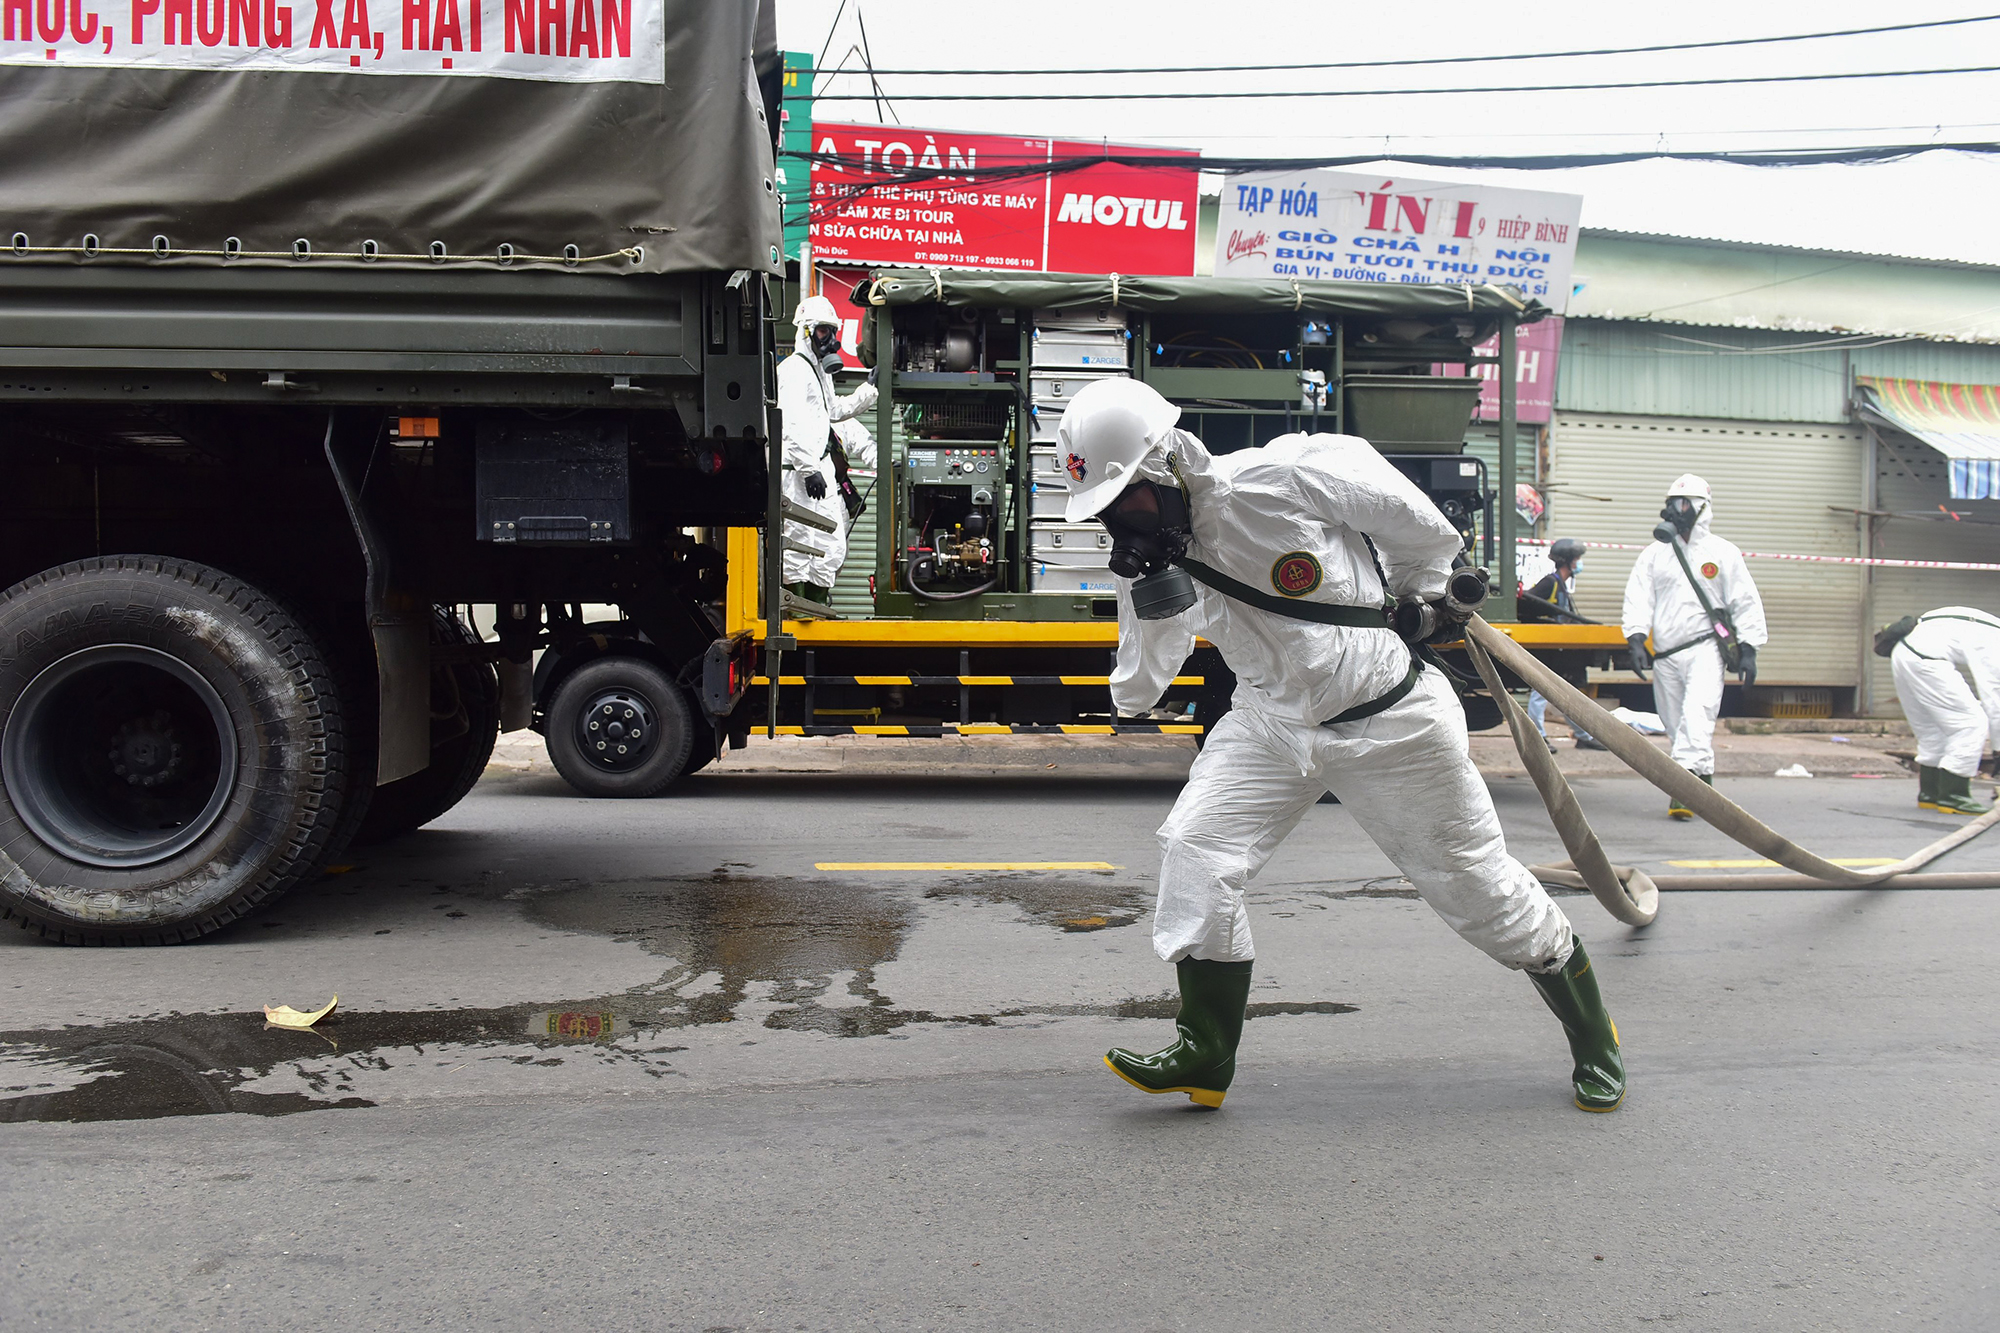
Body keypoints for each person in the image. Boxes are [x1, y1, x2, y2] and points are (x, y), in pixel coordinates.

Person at [1059, 377, 1625, 1115]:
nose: (1121, 524)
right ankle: (1205, 1053)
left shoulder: (1288, 476)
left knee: (1478, 889)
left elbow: (1424, 529)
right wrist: (1147, 595)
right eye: (1106, 513)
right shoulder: (1165, 559)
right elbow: (1136, 692)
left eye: (1127, 501)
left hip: (1391, 722)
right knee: (1197, 851)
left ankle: (1595, 1035)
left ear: (1168, 465)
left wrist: (1428, 594)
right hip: (1271, 725)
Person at [1621, 474, 1766, 819]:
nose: (1677, 510)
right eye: (1673, 503)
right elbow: (1639, 596)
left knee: (1696, 717)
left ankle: (1682, 794)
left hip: (1705, 650)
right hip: (1667, 655)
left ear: (1702, 508)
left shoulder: (1722, 553)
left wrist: (1749, 648)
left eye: (1684, 504)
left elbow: (1744, 600)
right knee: (1675, 725)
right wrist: (1636, 638)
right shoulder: (1655, 555)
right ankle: (1705, 784)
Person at [777, 294, 877, 605]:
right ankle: (796, 611)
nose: (830, 340)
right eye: (824, 331)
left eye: (832, 332)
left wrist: (869, 389)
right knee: (798, 544)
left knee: (831, 543)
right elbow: (789, 424)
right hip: (798, 473)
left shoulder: (818, 372)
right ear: (806, 331)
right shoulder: (794, 370)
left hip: (818, 469)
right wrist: (807, 469)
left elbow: (834, 410)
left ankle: (816, 607)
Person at [1883, 607, 2000, 815]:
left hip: (1903, 652)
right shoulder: (1995, 639)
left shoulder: (1987, 624)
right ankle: (1954, 796)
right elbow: (1995, 700)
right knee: (1971, 724)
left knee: (1931, 729)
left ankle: (1931, 793)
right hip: (1926, 658)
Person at [1518, 537, 1601, 751]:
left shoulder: (1561, 586)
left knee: (1566, 693)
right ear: (1569, 561)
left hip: (1560, 649)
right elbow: (1526, 603)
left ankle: (1582, 736)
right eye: (1578, 559)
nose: (1579, 563)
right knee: (1541, 691)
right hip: (1547, 648)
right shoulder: (1550, 583)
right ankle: (1538, 737)